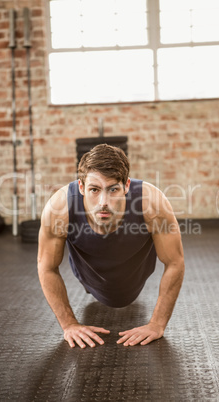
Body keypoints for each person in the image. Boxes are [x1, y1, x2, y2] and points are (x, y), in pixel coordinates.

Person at [37, 144, 185, 349]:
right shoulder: (59, 208)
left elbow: (175, 262)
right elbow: (46, 267)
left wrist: (157, 324)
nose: (103, 202)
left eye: (113, 189)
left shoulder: (151, 204)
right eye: (94, 190)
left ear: (126, 185)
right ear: (81, 187)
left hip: (136, 279)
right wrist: (69, 324)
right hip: (88, 278)